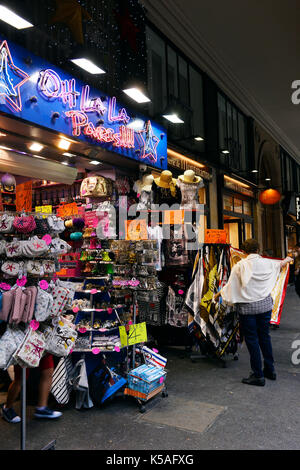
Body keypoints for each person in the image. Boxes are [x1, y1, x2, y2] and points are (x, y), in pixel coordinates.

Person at [214, 239, 292, 387]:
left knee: (252, 340)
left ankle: (258, 375)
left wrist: (218, 295)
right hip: (265, 306)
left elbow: (230, 286)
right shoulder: (268, 263)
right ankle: (270, 370)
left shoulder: (240, 266)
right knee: (264, 337)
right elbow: (280, 264)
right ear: (258, 249)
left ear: (244, 251)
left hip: (247, 309)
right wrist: (288, 258)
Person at [0, 353, 62, 423]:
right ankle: (7, 407)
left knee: (48, 371)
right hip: (24, 345)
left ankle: (42, 407)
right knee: (21, 378)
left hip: (44, 344)